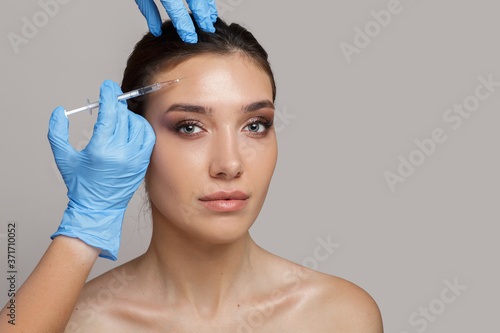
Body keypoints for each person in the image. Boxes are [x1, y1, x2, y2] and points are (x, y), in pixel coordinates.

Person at [0, 16, 383, 333]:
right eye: (189, 126)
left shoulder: (340, 316)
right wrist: (83, 230)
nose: (229, 165)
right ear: (132, 139)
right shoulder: (75, 322)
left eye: (255, 125)